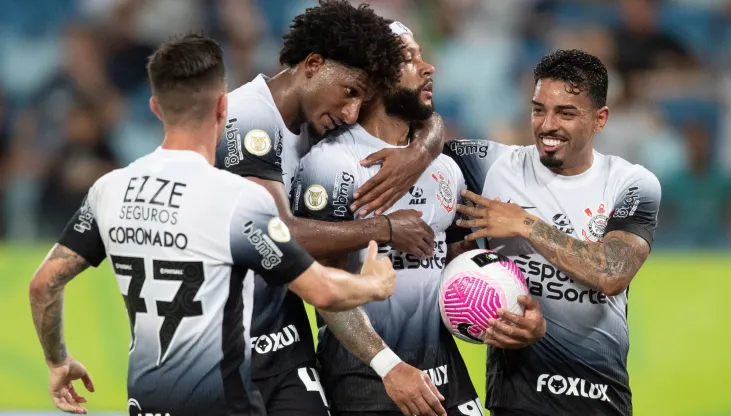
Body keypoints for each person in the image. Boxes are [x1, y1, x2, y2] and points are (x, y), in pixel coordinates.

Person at [28, 34, 396, 416]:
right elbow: (321, 291)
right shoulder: (237, 200)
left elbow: (43, 284)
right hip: (222, 402)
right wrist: (373, 283)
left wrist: (58, 361)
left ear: (156, 108)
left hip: (148, 400)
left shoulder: (109, 189)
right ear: (223, 107)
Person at [214, 2, 446, 414]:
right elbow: (275, 231)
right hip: (222, 341)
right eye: (350, 93)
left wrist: (421, 151)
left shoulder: (311, 120)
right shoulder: (250, 116)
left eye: (363, 98)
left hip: (283, 333)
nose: (352, 113)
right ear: (313, 63)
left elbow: (412, 110)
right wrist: (383, 228)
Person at [291, 25, 518, 416]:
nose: (428, 67)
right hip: (367, 378)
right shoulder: (332, 164)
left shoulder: (445, 168)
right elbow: (323, 286)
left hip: (444, 373)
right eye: (410, 59)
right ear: (374, 76)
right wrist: (388, 367)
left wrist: (499, 296)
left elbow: (452, 263)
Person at [455, 49, 661, 416]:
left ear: (600, 119)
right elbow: (422, 143)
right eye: (539, 109)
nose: (547, 125)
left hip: (601, 397)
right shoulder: (493, 165)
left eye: (566, 113)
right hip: (515, 397)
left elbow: (612, 272)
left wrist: (525, 223)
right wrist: (417, 151)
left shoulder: (631, 183)